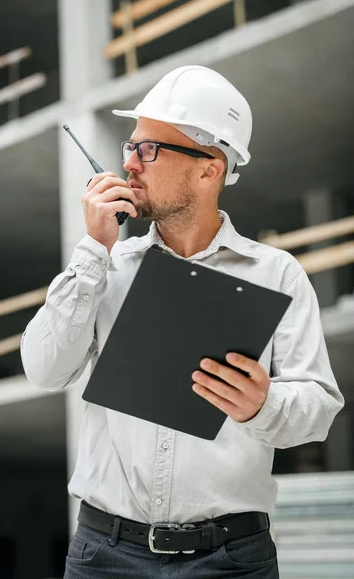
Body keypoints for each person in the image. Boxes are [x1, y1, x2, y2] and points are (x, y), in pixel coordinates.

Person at [21, 65, 344, 579]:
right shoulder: (107, 267)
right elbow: (42, 369)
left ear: (209, 168)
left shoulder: (276, 274)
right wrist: (93, 249)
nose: (129, 162)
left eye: (149, 148)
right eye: (130, 146)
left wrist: (263, 404)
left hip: (231, 560)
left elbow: (319, 409)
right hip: (105, 556)